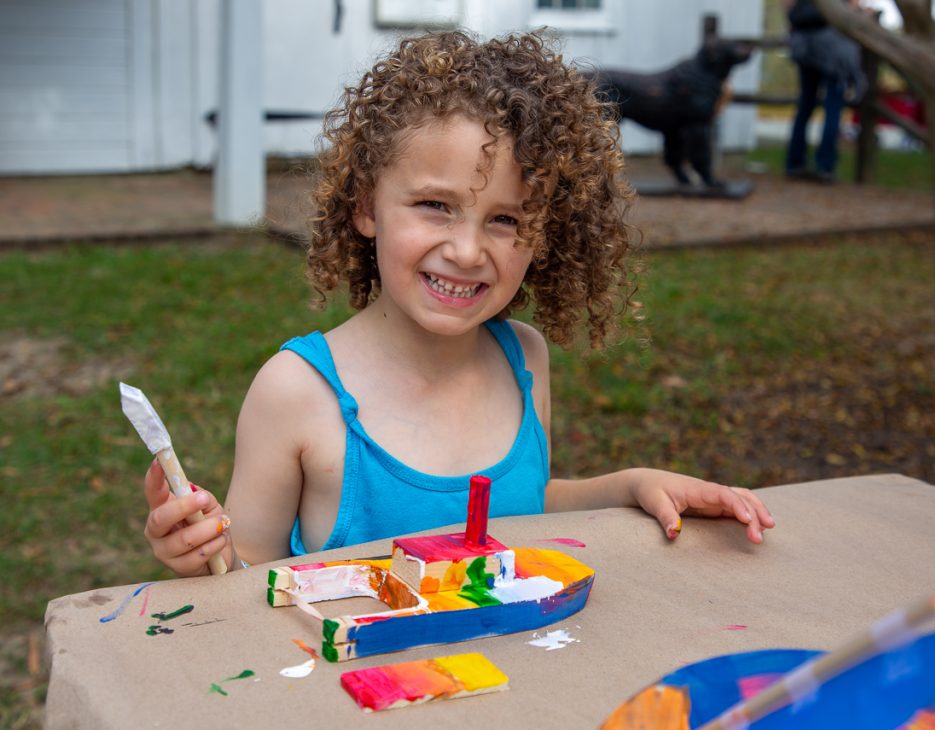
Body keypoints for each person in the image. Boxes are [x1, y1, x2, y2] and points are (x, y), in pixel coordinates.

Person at [142, 30, 775, 578]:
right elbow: (248, 573)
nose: (468, 251)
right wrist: (203, 555)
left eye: (505, 219)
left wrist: (635, 484)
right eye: (435, 206)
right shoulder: (296, 393)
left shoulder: (522, 356)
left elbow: (524, 509)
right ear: (365, 207)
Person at [783, 0, 867, 184]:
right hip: (833, 53)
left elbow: (789, 9)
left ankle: (794, 162)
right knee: (833, 108)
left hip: (805, 50)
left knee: (805, 106)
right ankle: (825, 166)